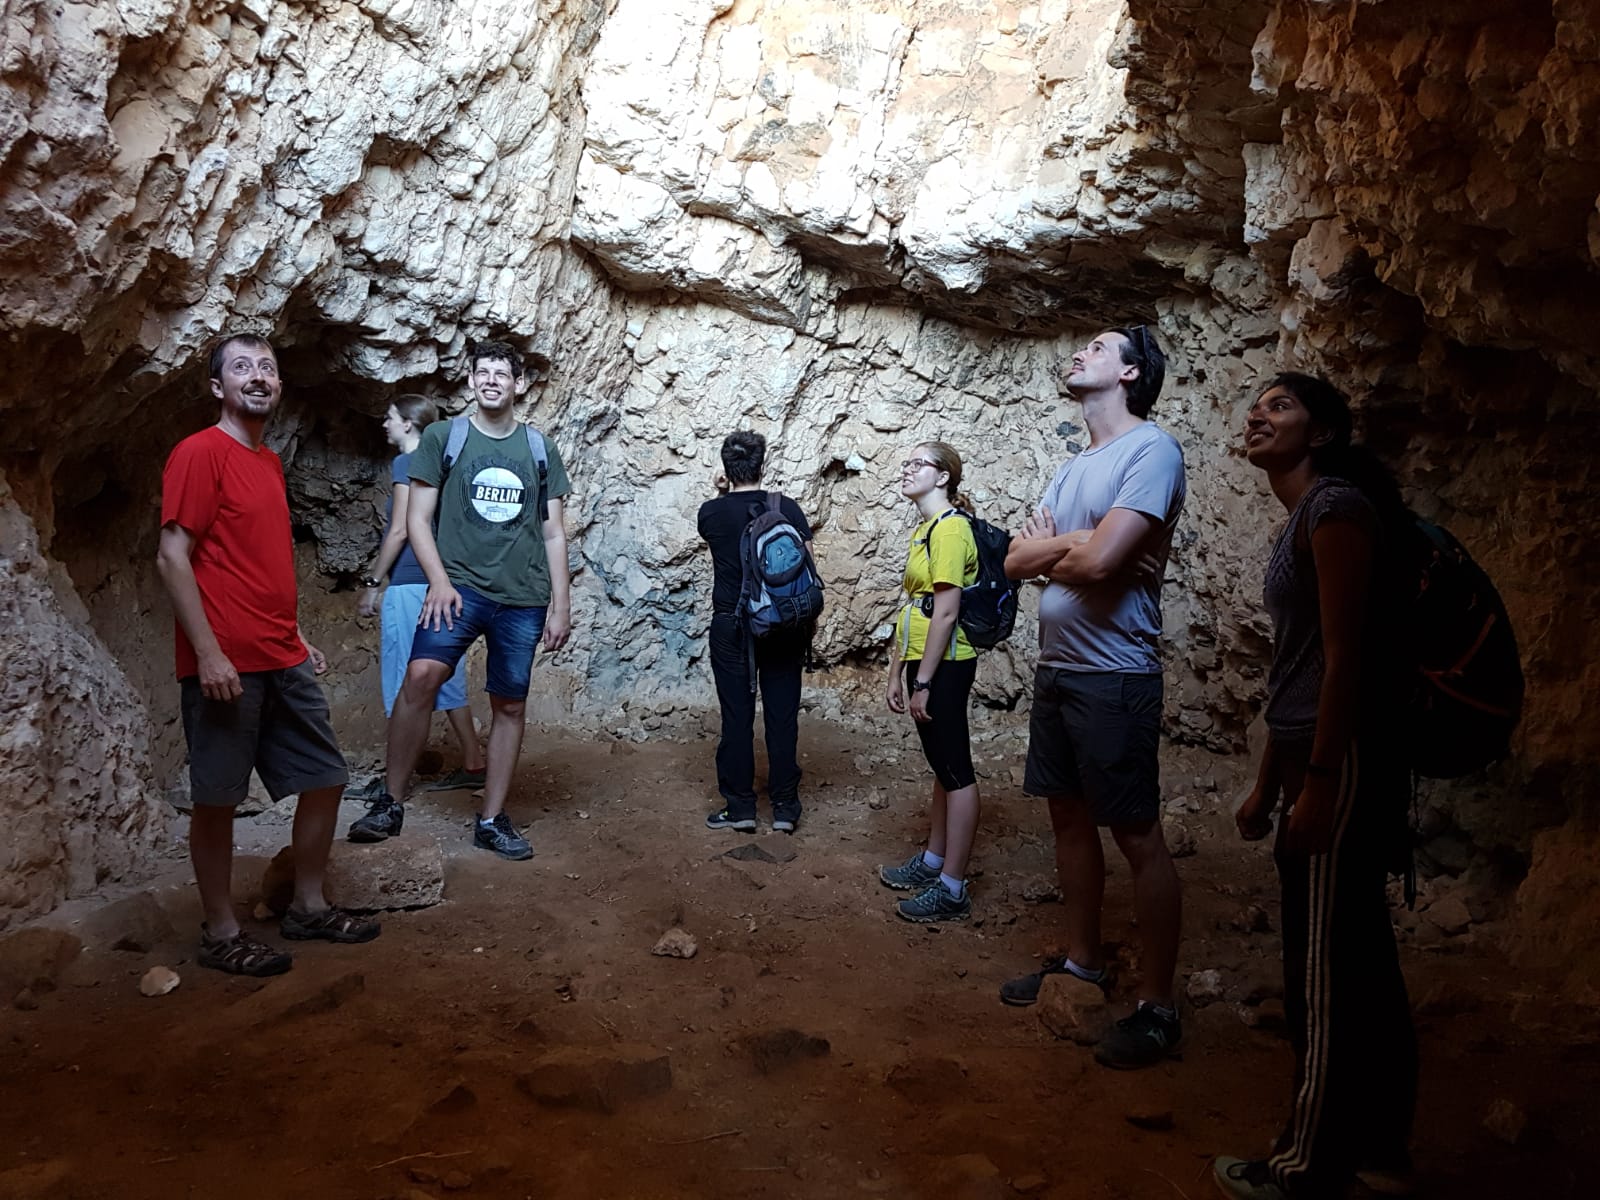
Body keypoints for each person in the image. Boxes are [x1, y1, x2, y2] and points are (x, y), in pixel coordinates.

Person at [1213, 373, 1416, 1200]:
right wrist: (1271, 781)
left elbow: (1344, 660)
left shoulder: (1335, 511)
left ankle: (1309, 1165)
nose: (1258, 414)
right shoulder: (1304, 517)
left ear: (1323, 433)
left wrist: (1323, 781)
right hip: (1313, 758)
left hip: (1344, 760)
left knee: (1323, 969)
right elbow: (1295, 670)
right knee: (1356, 954)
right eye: (1256, 404)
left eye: (1282, 405)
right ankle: (1380, 1149)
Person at [156, 333, 380, 976]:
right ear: (217, 386)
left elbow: (256, 562)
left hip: (281, 653)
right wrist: (208, 654)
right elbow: (172, 557)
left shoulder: (267, 463)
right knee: (218, 798)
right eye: (241, 368)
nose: (257, 376)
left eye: (267, 368)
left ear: (278, 385)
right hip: (226, 663)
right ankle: (222, 931)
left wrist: (296, 633)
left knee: (326, 776)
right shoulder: (200, 453)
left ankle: (307, 906)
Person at [998, 325, 1188, 1071]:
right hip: (1059, 668)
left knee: (1136, 834)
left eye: (1100, 348)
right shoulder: (1075, 465)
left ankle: (1158, 1005)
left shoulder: (1152, 450)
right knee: (1069, 818)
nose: (1080, 352)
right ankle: (1083, 963)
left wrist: (1070, 549)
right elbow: (1014, 561)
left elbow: (1104, 563)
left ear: (1131, 373)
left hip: (1116, 673)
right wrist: (1076, 546)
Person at [347, 340, 572, 860]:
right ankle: (390, 802)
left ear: (518, 384)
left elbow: (553, 531)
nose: (491, 381)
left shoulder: (539, 448)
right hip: (458, 587)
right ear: (470, 380)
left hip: (522, 596)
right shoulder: (445, 438)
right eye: (482, 372)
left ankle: (491, 818)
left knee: (509, 703)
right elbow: (417, 520)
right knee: (421, 677)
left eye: (502, 374)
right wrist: (440, 582)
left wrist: (561, 605)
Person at [348, 395, 486, 806]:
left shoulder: (408, 463)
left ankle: (395, 780)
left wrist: (374, 582)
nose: (384, 424)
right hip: (442, 583)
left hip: (410, 582)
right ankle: (474, 761)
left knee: (401, 683)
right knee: (445, 673)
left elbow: (400, 529)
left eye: (389, 417)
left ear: (408, 423)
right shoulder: (446, 463)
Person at [876, 442, 983, 922]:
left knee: (956, 770)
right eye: (906, 463)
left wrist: (923, 682)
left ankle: (952, 886)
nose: (907, 470)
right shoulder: (927, 528)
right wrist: (897, 672)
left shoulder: (951, 529)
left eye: (917, 463)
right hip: (925, 659)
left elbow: (945, 613)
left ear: (943, 477)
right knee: (942, 766)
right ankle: (935, 860)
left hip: (947, 663)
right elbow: (914, 609)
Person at [696, 430, 810, 833]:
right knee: (782, 716)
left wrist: (721, 490)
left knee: (736, 717)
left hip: (732, 625)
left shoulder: (711, 513)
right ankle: (785, 808)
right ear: (763, 464)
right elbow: (806, 565)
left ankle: (740, 807)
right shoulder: (787, 508)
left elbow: (723, 522)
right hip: (782, 624)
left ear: (726, 468)